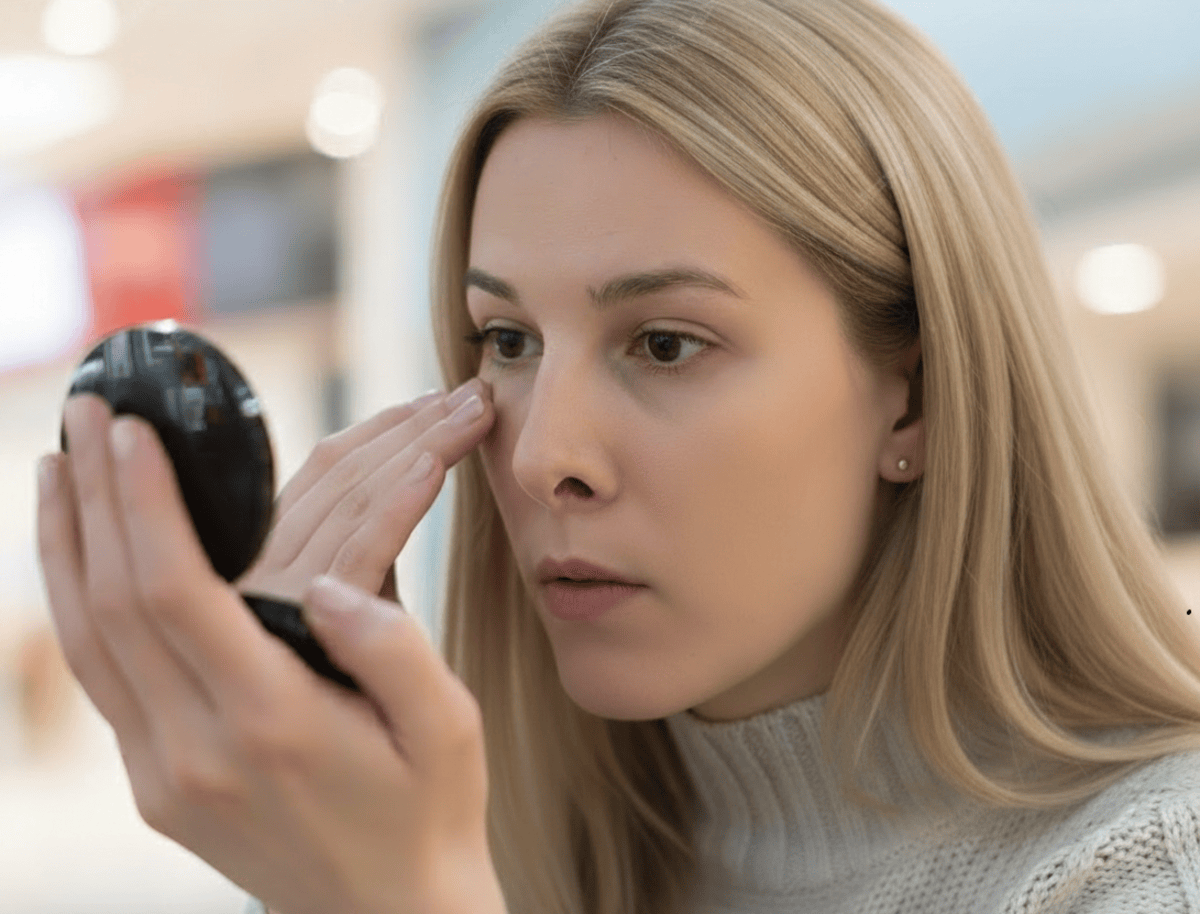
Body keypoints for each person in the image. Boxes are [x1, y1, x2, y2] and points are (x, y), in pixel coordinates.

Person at [35, 0, 1200, 912]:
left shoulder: (1146, 868)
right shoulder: (465, 846)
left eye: (665, 341)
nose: (543, 456)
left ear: (920, 400)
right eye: (508, 340)